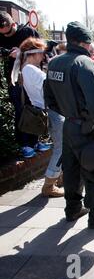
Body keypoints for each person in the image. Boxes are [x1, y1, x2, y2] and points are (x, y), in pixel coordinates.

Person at [44, 21, 94, 228]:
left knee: (71, 169)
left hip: (69, 125)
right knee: (93, 171)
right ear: (86, 42)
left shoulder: (54, 63)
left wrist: (70, 115)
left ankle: (73, 209)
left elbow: (49, 99)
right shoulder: (85, 64)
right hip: (87, 127)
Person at [10, 37, 65, 197]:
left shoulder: (27, 69)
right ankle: (49, 185)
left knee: (61, 146)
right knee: (60, 147)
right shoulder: (31, 70)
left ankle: (58, 176)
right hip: (52, 112)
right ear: (33, 53)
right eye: (41, 52)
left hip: (48, 111)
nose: (43, 55)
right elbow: (50, 89)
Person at [0, 10, 41, 158]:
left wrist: (21, 52)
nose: (6, 36)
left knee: (35, 109)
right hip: (15, 80)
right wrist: (6, 52)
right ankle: (25, 145)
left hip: (32, 78)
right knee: (21, 110)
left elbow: (42, 50)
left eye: (8, 32)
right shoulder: (1, 36)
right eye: (3, 34)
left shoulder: (28, 32)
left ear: (13, 24)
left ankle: (35, 142)